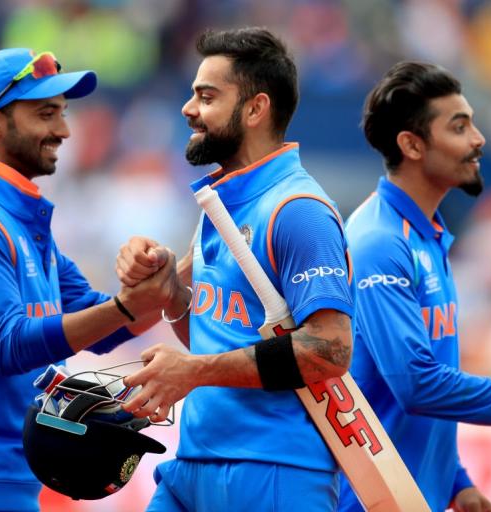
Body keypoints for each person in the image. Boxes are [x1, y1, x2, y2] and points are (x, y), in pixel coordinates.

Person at [0, 48, 185, 512]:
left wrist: (163, 277)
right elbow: (11, 345)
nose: (63, 130)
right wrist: (125, 307)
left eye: (62, 113)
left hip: (2, 478)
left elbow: (107, 326)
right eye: (45, 114)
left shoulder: (15, 219)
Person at [115, 27, 354, 512]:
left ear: (254, 109)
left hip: (274, 474)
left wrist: (194, 373)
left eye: (206, 96)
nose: (188, 109)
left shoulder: (297, 209)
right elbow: (210, 334)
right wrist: (167, 290)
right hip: (193, 464)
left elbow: (330, 350)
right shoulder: (219, 200)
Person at [338, 61, 491, 512]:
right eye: (460, 127)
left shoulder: (425, 236)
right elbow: (418, 385)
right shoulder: (378, 242)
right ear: (411, 144)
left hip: (415, 496)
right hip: (367, 502)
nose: (478, 139)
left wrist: (455, 482)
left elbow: (402, 388)